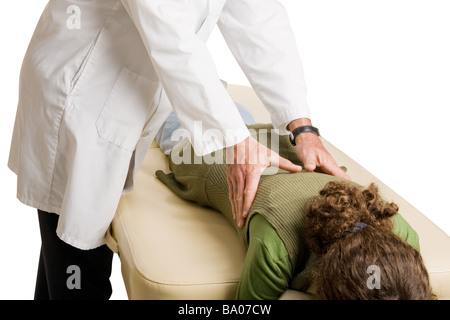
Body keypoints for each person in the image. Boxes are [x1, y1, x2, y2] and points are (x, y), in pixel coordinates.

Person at [9, 1, 348, 299]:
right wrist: (236, 141)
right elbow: (171, 33)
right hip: (81, 93)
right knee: (79, 269)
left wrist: (301, 127)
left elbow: (258, 19)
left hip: (130, 94)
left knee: (64, 252)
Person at [156, 120, 435, 300]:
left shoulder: (401, 232)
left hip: (268, 137)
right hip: (196, 145)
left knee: (222, 101)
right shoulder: (276, 250)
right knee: (162, 100)